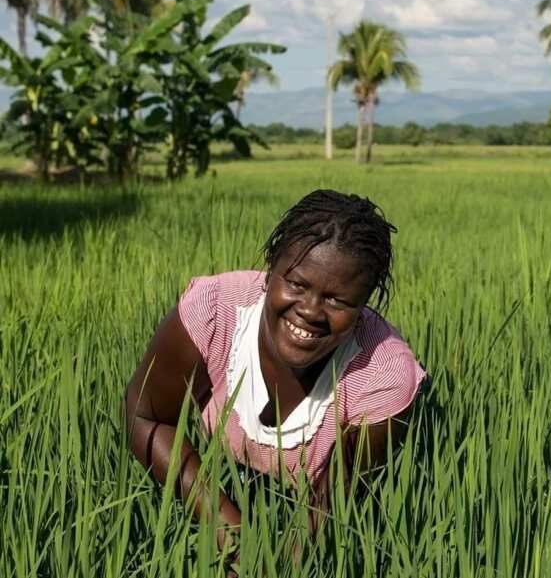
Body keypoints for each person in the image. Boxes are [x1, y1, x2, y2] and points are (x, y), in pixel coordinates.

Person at [124, 189, 426, 561]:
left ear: (364, 305)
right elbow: (147, 417)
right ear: (271, 267)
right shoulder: (215, 312)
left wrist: (276, 567)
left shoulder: (381, 377)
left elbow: (331, 504)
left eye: (338, 301)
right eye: (297, 285)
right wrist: (234, 541)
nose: (311, 311)